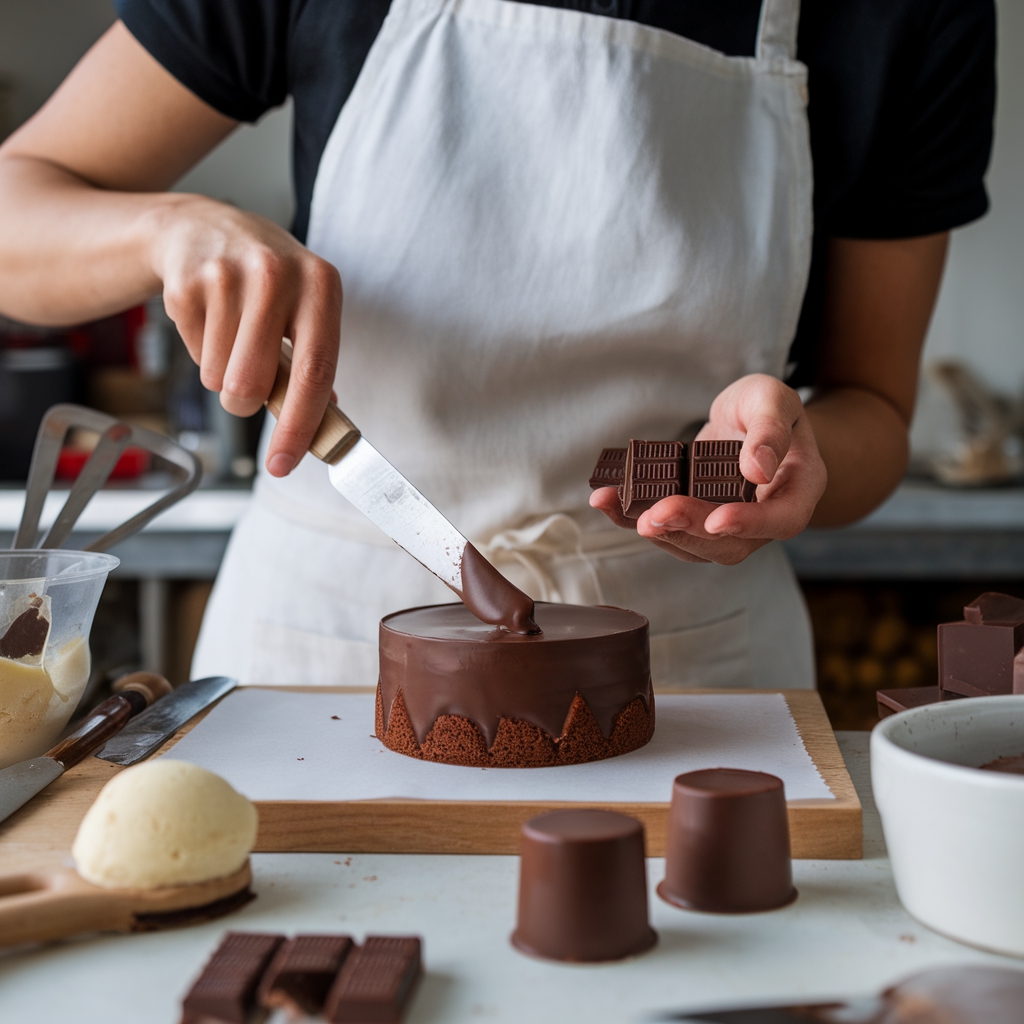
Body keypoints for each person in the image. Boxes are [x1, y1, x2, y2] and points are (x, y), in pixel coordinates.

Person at [0, 0, 995, 690]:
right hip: (323, 648)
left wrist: (798, 461)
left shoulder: (907, 17)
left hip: (683, 667)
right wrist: (164, 229)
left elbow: (874, 405)